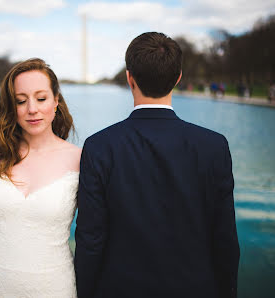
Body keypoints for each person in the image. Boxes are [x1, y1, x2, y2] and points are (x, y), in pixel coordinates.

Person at [75, 32, 240, 298]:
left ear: (130, 78)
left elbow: (90, 240)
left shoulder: (99, 146)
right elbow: (224, 239)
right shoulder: (214, 146)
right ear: (178, 78)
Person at [0, 58, 81, 297]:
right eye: (21, 101)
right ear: (11, 106)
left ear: (56, 101)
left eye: (41, 98)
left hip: (54, 287)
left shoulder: (81, 161)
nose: (32, 109)